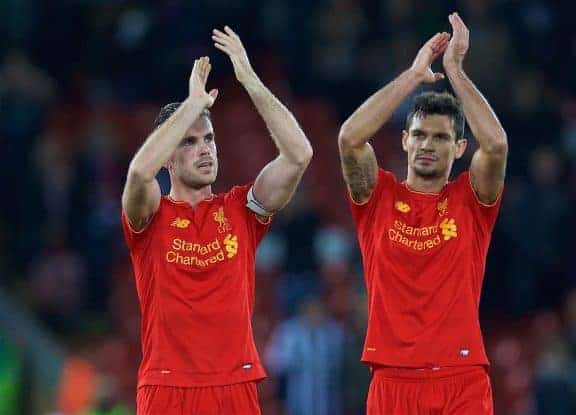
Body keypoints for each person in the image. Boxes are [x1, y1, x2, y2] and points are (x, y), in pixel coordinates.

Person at [121, 26, 313, 414]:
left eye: (208, 139)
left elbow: (299, 155)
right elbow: (140, 174)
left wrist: (249, 79)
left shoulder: (241, 210)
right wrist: (192, 105)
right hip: (166, 386)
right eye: (189, 143)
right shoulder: (151, 214)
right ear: (168, 158)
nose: (204, 149)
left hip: (235, 384)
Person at [338, 13, 507, 414]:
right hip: (392, 379)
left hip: (461, 378)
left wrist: (455, 70)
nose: (427, 144)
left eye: (441, 137)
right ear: (404, 140)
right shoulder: (377, 197)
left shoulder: (471, 199)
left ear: (460, 147)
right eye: (419, 134)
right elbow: (349, 138)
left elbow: (497, 145)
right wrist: (414, 76)